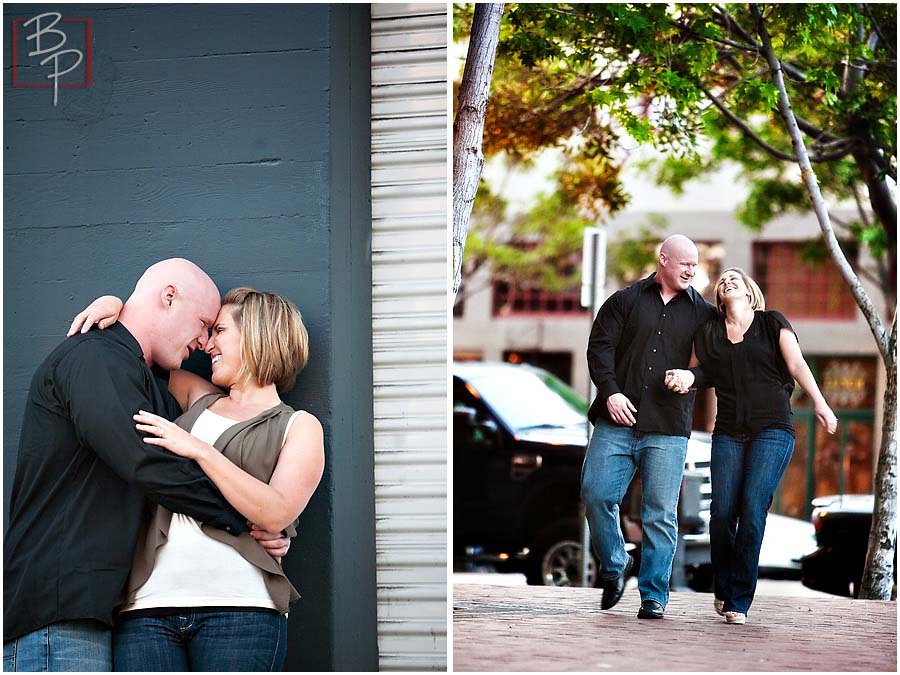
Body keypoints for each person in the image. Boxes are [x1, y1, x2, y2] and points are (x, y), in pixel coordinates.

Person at [3, 259, 288, 672]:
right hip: (57, 615)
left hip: (91, 615)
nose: (204, 341)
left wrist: (262, 513)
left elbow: (225, 413)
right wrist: (245, 523)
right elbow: (145, 461)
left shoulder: (143, 382)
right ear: (169, 297)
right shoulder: (94, 356)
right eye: (205, 323)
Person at [69, 287, 325, 671]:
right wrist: (115, 305)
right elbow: (136, 349)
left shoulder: (298, 426)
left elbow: (275, 512)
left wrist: (198, 449)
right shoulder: (196, 396)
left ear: (257, 335)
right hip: (147, 610)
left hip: (241, 610)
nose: (206, 344)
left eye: (219, 331)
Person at [665, 268, 837, 625]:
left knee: (752, 507)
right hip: (728, 430)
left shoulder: (772, 323)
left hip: (772, 429)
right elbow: (701, 374)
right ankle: (724, 584)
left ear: (749, 291)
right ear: (719, 296)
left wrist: (820, 402)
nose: (727, 281)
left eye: (735, 279)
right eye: (723, 280)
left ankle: (739, 599)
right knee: (723, 512)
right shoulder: (709, 333)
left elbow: (796, 364)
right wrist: (685, 377)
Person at [581, 235, 716, 620]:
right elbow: (599, 348)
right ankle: (615, 563)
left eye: (696, 264)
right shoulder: (625, 301)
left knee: (660, 514)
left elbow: (719, 364)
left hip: (668, 427)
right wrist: (610, 393)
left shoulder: (703, 314)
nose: (691, 270)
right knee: (595, 493)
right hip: (617, 420)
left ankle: (653, 595)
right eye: (684, 263)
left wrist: (693, 377)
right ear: (663, 260)